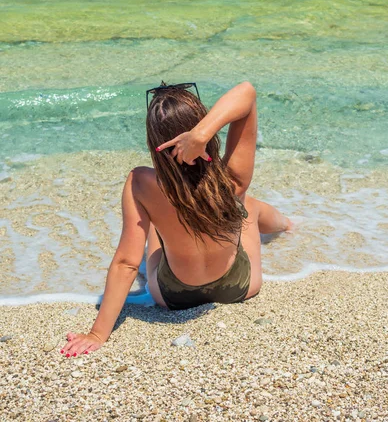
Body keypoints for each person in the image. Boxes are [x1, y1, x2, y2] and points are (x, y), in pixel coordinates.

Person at [61, 81, 292, 357]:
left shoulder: (141, 182)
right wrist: (202, 133)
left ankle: (170, 225)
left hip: (173, 297)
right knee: (248, 207)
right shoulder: (232, 179)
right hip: (241, 286)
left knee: (157, 228)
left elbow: (127, 263)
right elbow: (247, 93)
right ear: (199, 125)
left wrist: (98, 334)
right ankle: (288, 226)